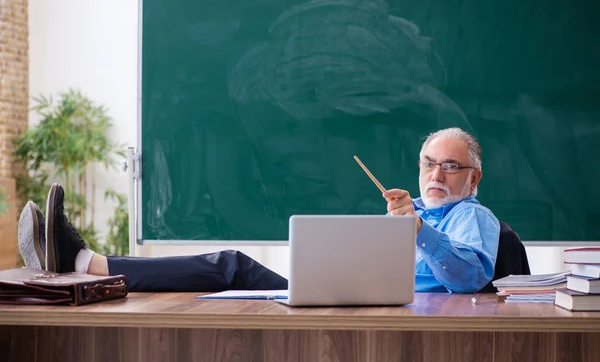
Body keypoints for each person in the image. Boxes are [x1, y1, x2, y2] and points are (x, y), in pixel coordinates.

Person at [17, 127, 499, 294]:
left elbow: (469, 279)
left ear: (473, 178)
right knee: (229, 268)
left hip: (401, 315)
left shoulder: (473, 218)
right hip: (358, 300)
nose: (436, 175)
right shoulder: (408, 212)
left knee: (231, 265)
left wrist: (419, 231)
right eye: (429, 164)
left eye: (451, 167)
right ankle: (82, 264)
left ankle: (84, 263)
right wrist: (401, 224)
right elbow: (371, 270)